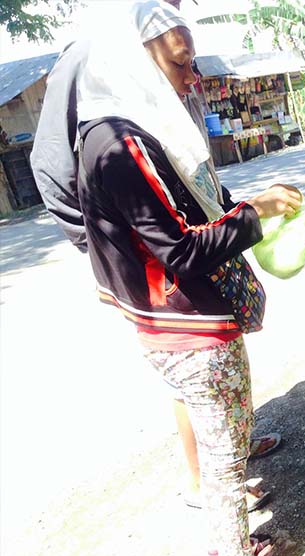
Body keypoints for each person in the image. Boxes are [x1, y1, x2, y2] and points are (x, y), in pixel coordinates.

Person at [30, 0, 280, 517]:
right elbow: (174, 245)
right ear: (136, 61)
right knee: (201, 386)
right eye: (182, 64)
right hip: (166, 288)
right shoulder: (116, 133)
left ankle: (226, 451)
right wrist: (112, 253)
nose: (194, 77)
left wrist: (230, 207)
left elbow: (189, 184)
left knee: (210, 402)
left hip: (175, 266)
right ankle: (212, 480)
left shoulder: (147, 101)